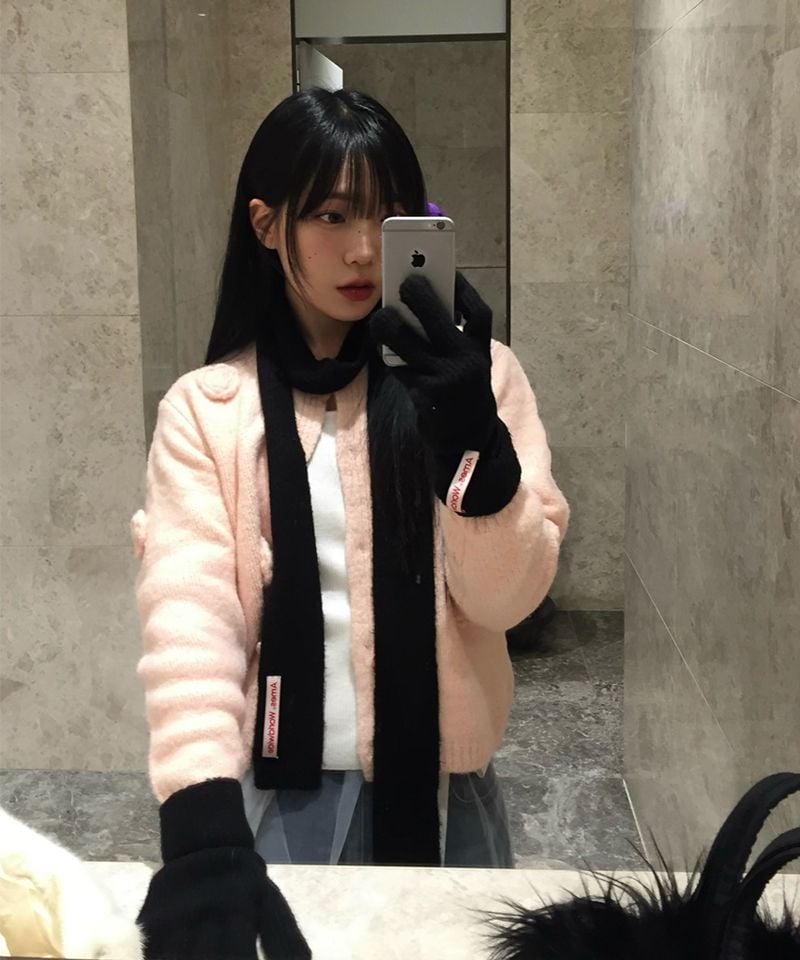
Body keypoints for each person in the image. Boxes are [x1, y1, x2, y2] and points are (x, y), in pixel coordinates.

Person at [130, 87, 569, 957]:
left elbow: (508, 603)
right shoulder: (208, 412)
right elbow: (190, 619)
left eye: (386, 214)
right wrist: (202, 822)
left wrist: (474, 447)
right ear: (267, 226)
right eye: (332, 215)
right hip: (275, 802)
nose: (365, 248)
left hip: (444, 799)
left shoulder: (480, 382)